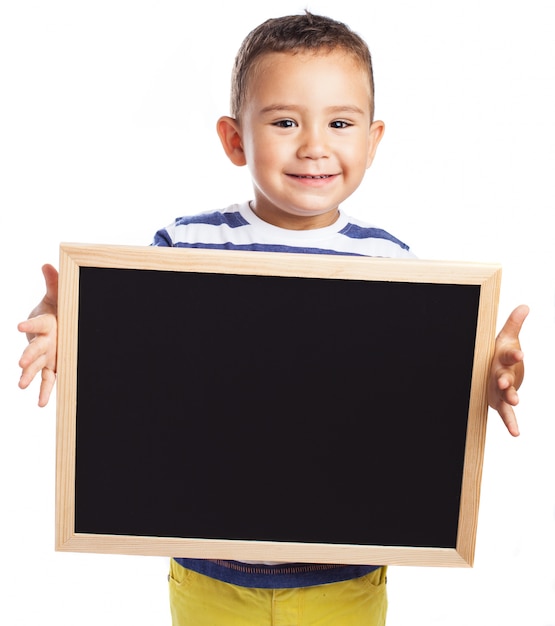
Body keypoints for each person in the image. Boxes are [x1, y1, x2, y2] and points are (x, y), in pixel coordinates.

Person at [18, 11, 529, 626]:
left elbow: (408, 400)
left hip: (344, 575)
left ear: (373, 139)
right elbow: (134, 358)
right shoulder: (184, 246)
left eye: (340, 123)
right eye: (285, 121)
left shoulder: (392, 265)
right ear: (235, 139)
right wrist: (68, 327)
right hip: (209, 568)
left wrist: (481, 372)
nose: (314, 145)